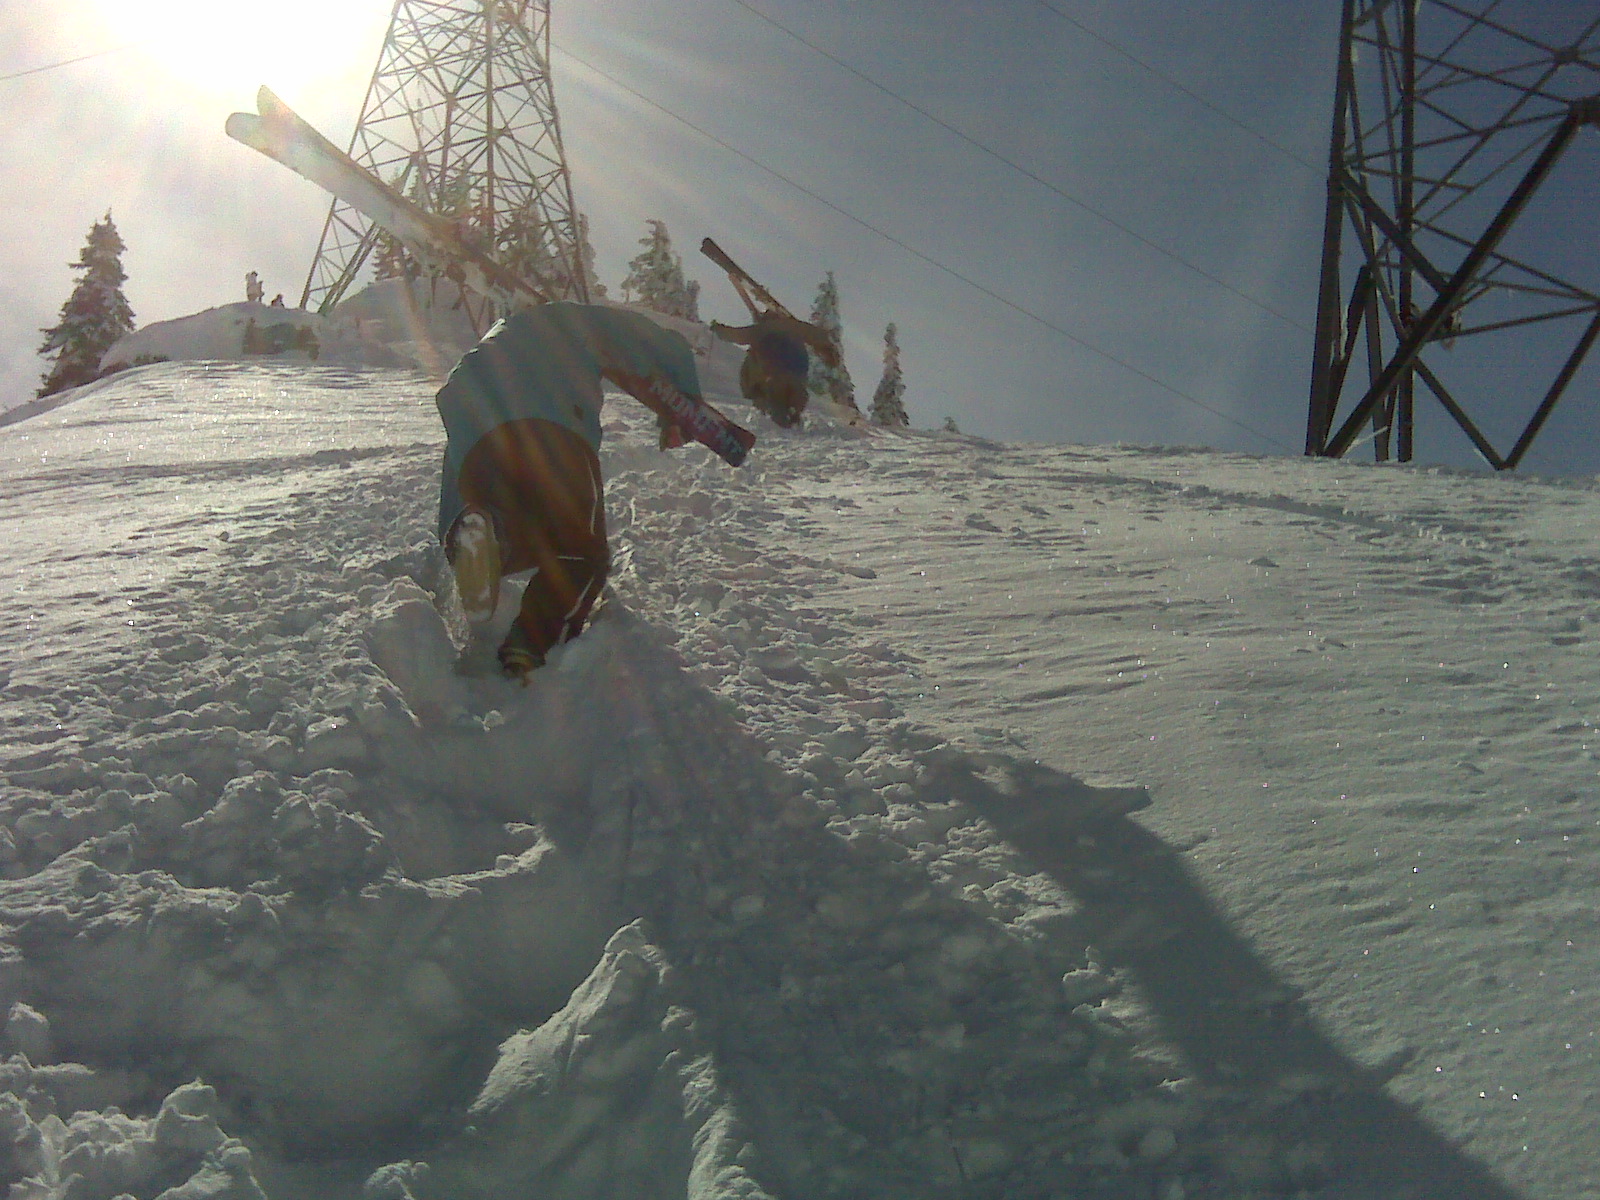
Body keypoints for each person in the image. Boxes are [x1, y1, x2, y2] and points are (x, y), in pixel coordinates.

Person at [435, 301, 751, 680]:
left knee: (508, 526)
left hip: (471, 422)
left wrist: (452, 535)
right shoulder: (569, 318)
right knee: (580, 552)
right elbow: (664, 345)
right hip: (550, 419)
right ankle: (529, 646)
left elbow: (454, 470)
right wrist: (687, 402)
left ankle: (496, 536)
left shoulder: (495, 340)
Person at [710, 308, 840, 428]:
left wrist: (718, 329)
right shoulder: (793, 326)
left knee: (776, 404)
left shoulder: (762, 329)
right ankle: (793, 418)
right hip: (797, 378)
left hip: (773, 377)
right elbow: (817, 334)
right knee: (794, 400)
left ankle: (780, 422)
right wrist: (828, 349)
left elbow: (737, 335)